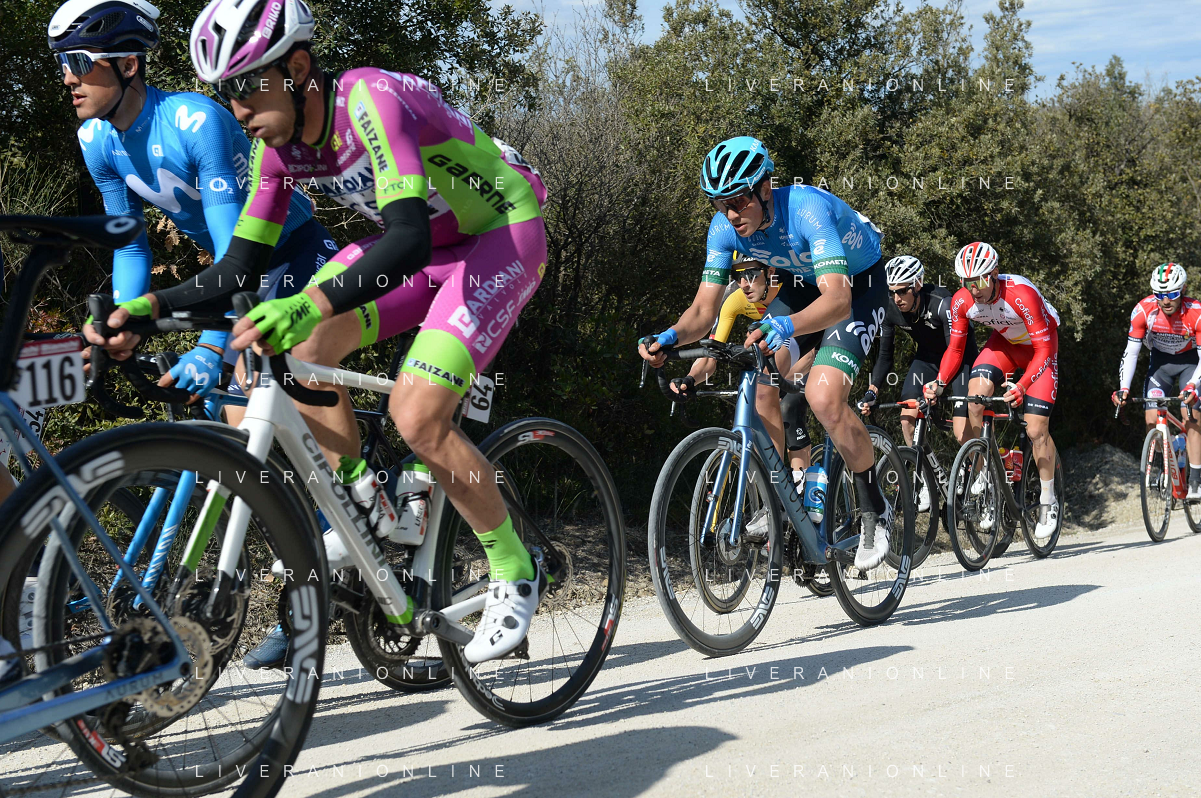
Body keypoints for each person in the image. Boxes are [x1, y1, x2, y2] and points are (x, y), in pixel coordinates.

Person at [86, 0, 549, 665]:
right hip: (428, 244)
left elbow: (407, 239)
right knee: (300, 348)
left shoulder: (370, 99)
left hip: (499, 233)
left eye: (248, 85)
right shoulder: (277, 152)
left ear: (297, 67)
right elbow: (237, 269)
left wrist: (306, 305)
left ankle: (514, 569)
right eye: (227, 91)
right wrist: (146, 309)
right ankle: (364, 500)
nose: (238, 107)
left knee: (416, 414)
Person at [51, 0, 339, 405]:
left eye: (80, 62)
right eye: (62, 63)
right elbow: (130, 248)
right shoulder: (94, 141)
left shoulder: (195, 121)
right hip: (237, 275)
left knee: (253, 383)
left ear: (129, 65)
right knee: (221, 409)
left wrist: (210, 346)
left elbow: (231, 248)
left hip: (297, 254)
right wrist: (119, 322)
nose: (68, 78)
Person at [639, 136, 894, 570]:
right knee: (761, 382)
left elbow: (838, 302)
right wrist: (668, 337)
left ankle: (875, 508)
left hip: (858, 285)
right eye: (721, 204)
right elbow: (703, 311)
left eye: (739, 201)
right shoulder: (724, 230)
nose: (731, 214)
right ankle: (783, 497)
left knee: (823, 397)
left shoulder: (807, 209)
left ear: (764, 188)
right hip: (801, 286)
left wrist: (787, 326)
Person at [923, 242, 1062, 539]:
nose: (974, 289)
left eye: (980, 281)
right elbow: (955, 349)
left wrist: (1022, 385)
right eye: (967, 282)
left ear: (995, 274)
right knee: (975, 398)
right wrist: (940, 382)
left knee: (1036, 430)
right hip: (1005, 346)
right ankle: (985, 471)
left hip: (1040, 350)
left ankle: (1048, 500)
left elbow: (1043, 350)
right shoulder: (962, 301)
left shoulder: (1022, 294)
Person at [858, 255, 977, 509]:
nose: (897, 298)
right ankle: (928, 482)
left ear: (917, 285)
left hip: (960, 358)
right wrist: (872, 391)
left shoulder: (942, 303)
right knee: (907, 419)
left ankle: (978, 473)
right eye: (892, 292)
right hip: (928, 359)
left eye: (902, 291)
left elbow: (955, 350)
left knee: (960, 432)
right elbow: (885, 356)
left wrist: (940, 385)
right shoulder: (891, 308)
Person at [1112, 263, 1201, 499]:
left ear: (1183, 290)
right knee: (1151, 419)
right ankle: (1166, 460)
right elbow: (1131, 353)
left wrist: (1192, 386)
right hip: (1160, 366)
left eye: (1172, 294)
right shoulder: (1144, 310)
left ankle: (1195, 479)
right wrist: (1123, 388)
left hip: (1192, 364)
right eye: (1160, 295)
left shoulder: (1196, 312)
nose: (1166, 300)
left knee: (1190, 414)